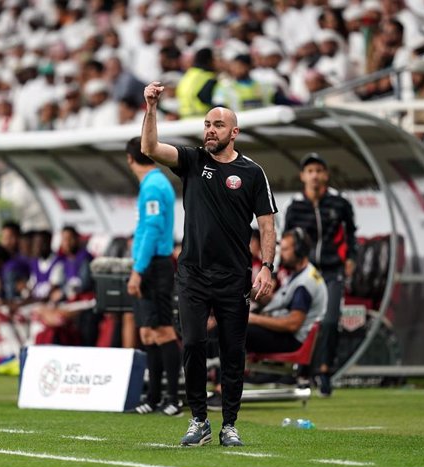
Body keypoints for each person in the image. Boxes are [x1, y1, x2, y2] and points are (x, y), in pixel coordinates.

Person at [141, 81, 277, 447]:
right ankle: (198, 420)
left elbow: (267, 223)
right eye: (206, 124)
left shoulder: (252, 172)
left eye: (217, 125)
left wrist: (267, 266)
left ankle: (229, 424)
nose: (209, 130)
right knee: (194, 343)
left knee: (233, 351)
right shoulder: (192, 160)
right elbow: (150, 147)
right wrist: (151, 109)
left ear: (234, 132)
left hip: (234, 277)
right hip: (192, 274)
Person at [283, 153, 357, 397]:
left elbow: (351, 235)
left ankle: (324, 372)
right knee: (304, 322)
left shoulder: (340, 203)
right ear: (303, 176)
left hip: (332, 270)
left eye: (319, 170)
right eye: (310, 171)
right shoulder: (295, 205)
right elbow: (288, 238)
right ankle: (303, 370)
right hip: (306, 273)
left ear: (326, 175)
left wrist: (350, 259)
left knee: (329, 320)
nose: (314, 175)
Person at [125, 136, 182, 417]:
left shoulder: (154, 186)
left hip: (155, 265)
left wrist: (138, 270)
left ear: (129, 159)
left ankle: (173, 398)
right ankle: (155, 396)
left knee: (162, 330)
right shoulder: (156, 183)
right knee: (148, 331)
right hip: (150, 264)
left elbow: (152, 229)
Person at [247, 228, 327, 354]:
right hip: (287, 335)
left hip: (292, 341)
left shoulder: (304, 284)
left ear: (299, 251)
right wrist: (249, 291)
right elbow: (279, 301)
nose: (281, 254)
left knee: (236, 328)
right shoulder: (301, 274)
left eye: (285, 250)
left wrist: (253, 318)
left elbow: (292, 324)